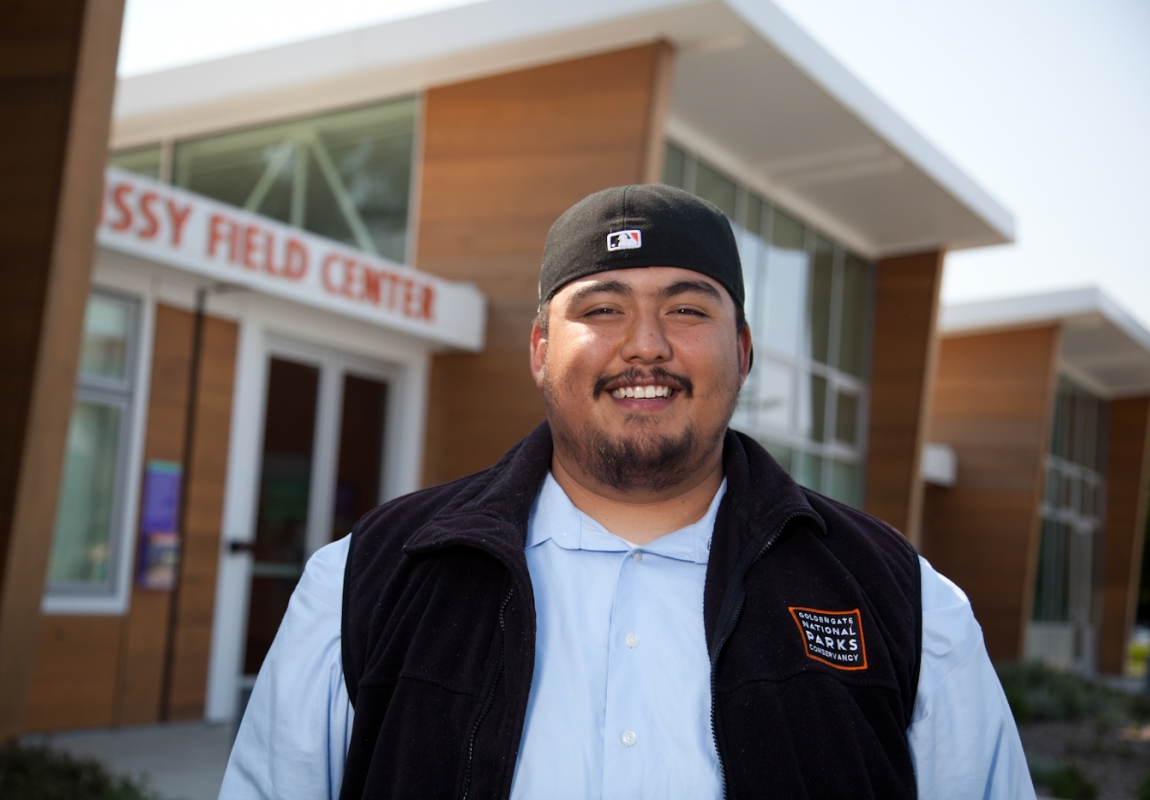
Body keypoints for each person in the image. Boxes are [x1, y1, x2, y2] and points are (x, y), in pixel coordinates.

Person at [220, 184, 1034, 799]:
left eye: (686, 308)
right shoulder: (366, 580)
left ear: (743, 349)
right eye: (602, 308)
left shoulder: (903, 602)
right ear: (541, 348)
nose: (645, 346)